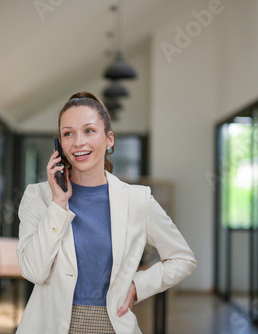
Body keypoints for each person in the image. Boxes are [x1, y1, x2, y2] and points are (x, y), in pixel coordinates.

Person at [16, 91, 197, 334]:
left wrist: (137, 286)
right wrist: (58, 204)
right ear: (59, 144)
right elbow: (33, 271)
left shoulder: (137, 200)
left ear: (109, 139)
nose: (79, 142)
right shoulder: (37, 197)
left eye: (89, 130)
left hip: (112, 326)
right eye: (68, 133)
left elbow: (183, 259)